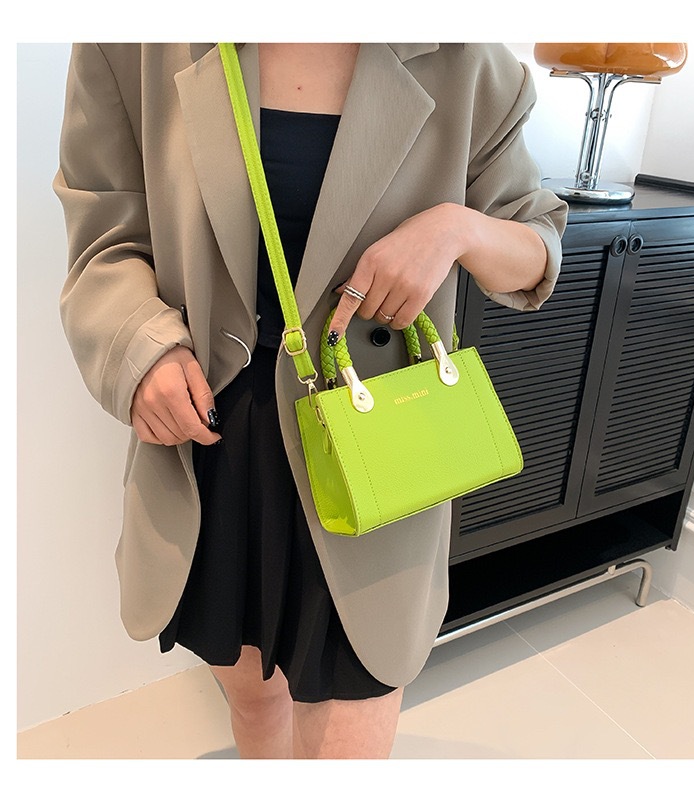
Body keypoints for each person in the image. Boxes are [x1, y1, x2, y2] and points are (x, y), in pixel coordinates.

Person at [54, 42, 567, 759]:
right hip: (217, 440)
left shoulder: (469, 61)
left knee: (352, 729)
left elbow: (536, 244)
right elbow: (104, 239)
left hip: (374, 447)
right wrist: (142, 348)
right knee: (253, 703)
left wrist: (457, 229)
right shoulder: (134, 42)